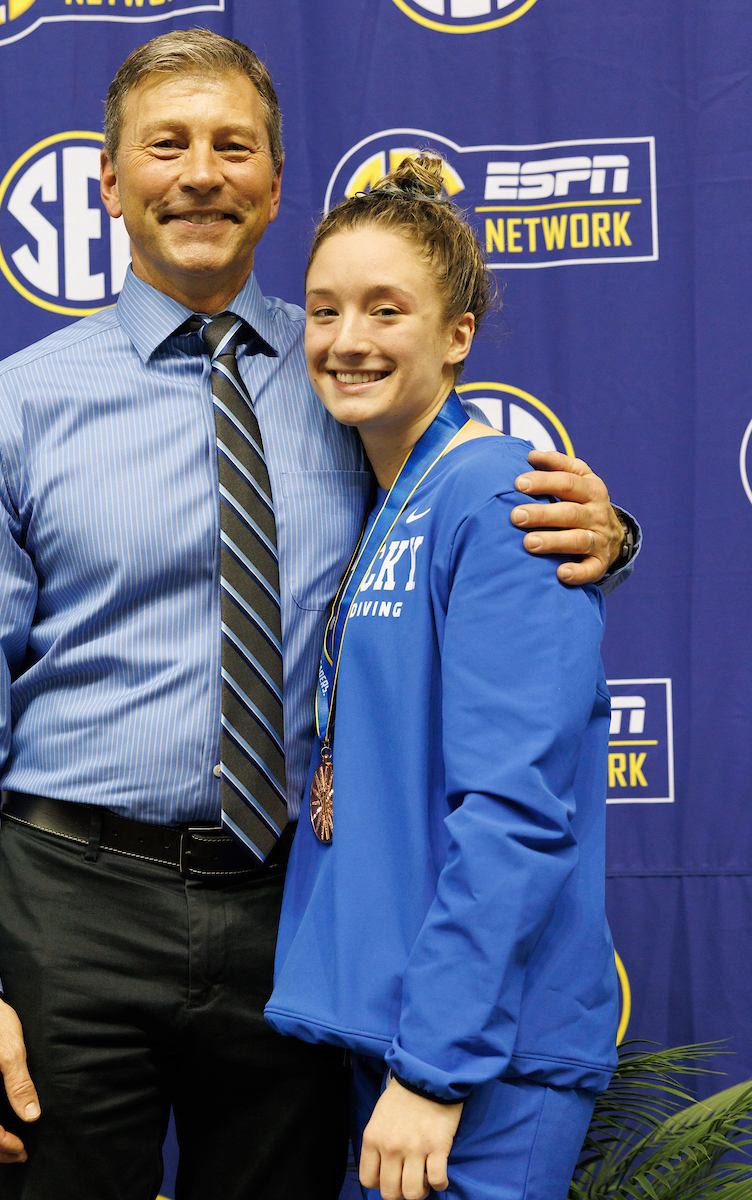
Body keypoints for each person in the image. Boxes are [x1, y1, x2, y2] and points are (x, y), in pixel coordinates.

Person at [0, 31, 635, 1200]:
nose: (199, 173)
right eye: (165, 145)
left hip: (295, 911)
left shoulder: (345, 369)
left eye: (234, 147)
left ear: (277, 187)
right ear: (111, 183)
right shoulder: (8, 414)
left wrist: (607, 537)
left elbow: (466, 536)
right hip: (69, 904)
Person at [265, 153, 619, 1200]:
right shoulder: (390, 501)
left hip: (476, 1060)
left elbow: (516, 808)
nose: (348, 340)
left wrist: (436, 1067)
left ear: (458, 336)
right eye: (324, 310)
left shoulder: (500, 493)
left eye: (387, 309)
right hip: (400, 1030)